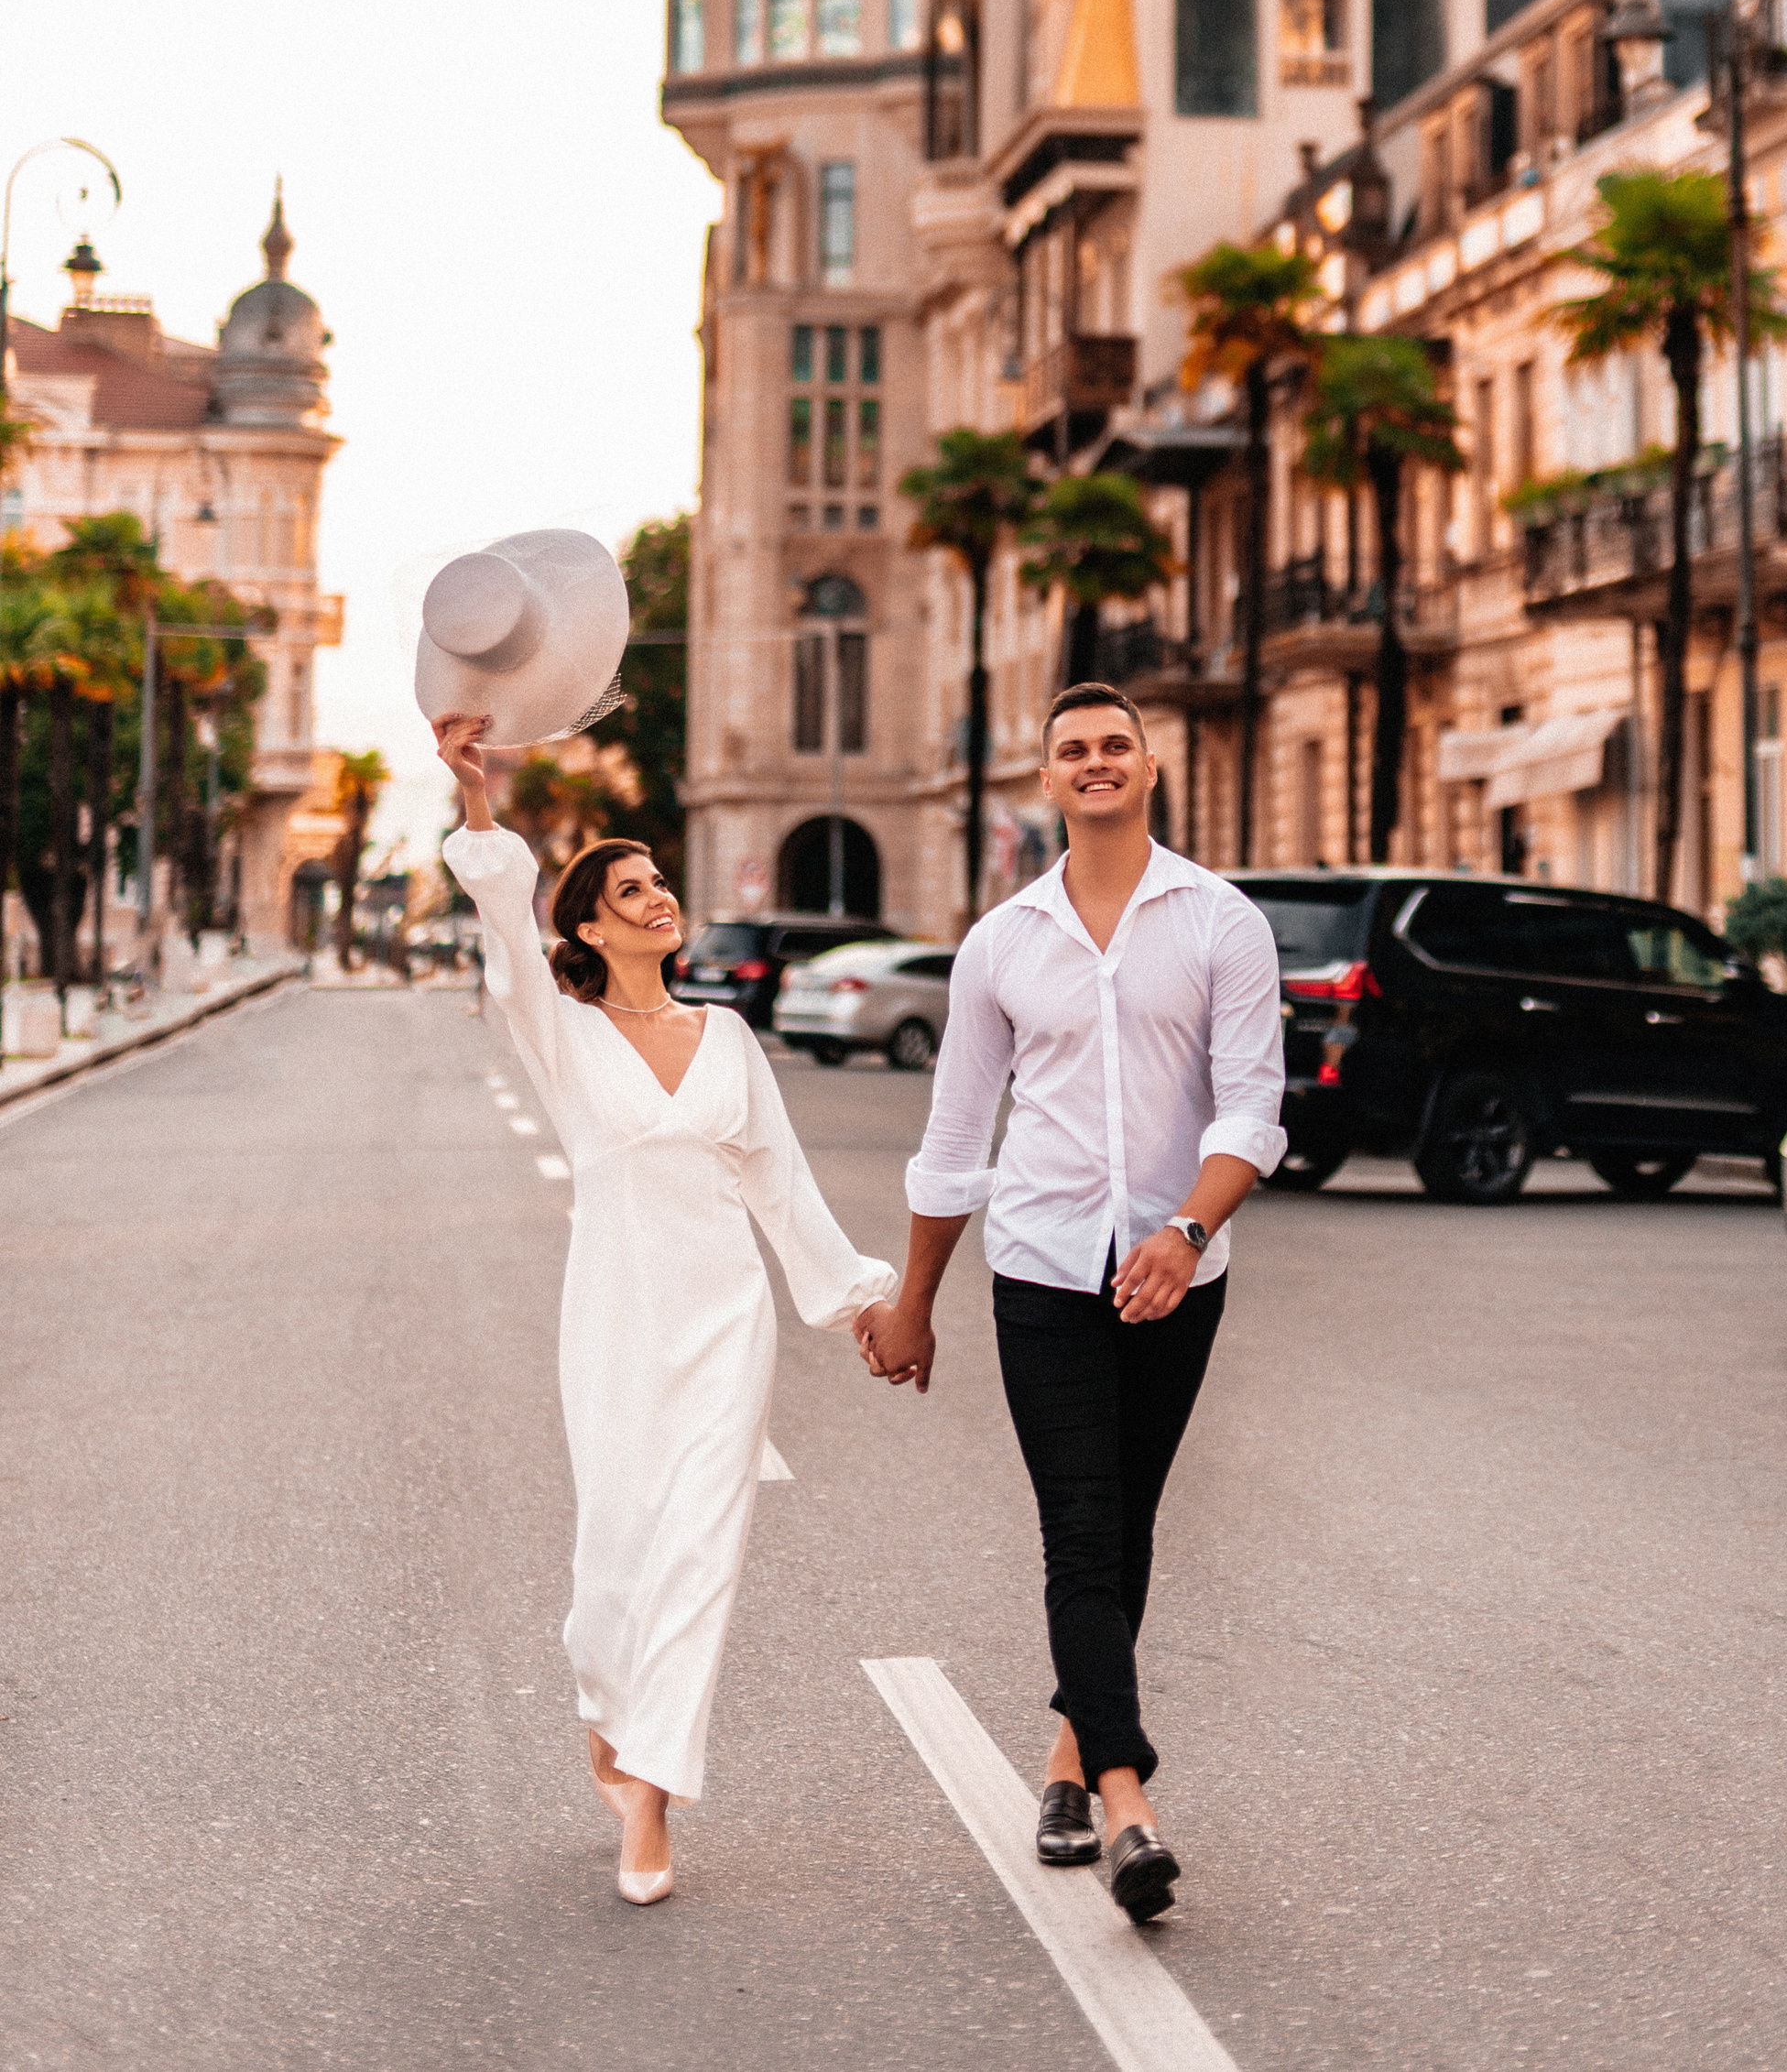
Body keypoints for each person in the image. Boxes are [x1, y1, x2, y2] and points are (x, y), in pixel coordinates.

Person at [434, 709, 897, 1905]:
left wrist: (861, 1305)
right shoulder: (563, 1030)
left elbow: (782, 1189)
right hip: (616, 1327)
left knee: (699, 1555)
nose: (654, 897)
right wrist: (478, 797)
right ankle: (607, 1701)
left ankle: (649, 1793)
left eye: (656, 882)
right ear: (587, 923)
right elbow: (501, 919)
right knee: (615, 1562)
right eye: (627, 888)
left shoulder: (731, 1037)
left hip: (724, 1327)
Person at [855, 684, 1285, 1925]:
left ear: (1150, 765)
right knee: (1082, 1528)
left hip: (1176, 1273)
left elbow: (1251, 1110)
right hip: (1041, 1266)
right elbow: (954, 1139)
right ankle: (1126, 1798)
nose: (1094, 763)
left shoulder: (1221, 921)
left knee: (1127, 1524)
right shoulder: (1001, 942)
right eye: (1071, 750)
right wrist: (915, 1299)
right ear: (1045, 778)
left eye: (1113, 745)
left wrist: (1187, 1228)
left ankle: (1059, 1757)